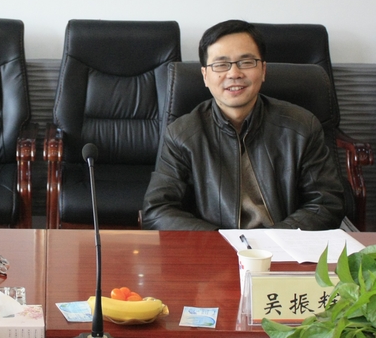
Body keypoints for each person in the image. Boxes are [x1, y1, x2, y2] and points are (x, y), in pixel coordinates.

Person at [142, 19, 345, 231]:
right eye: (221, 65)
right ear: (205, 76)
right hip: (215, 246)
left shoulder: (302, 127)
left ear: (263, 70)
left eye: (246, 62)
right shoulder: (182, 134)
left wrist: (272, 241)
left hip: (283, 245)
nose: (234, 74)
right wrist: (220, 241)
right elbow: (158, 210)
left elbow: (326, 203)